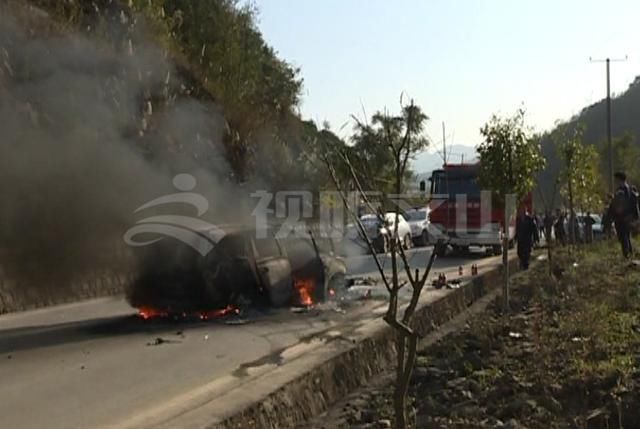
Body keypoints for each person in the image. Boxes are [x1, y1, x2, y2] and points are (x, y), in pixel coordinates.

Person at [605, 172, 637, 258]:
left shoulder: (620, 190)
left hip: (621, 218)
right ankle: (629, 253)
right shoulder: (630, 190)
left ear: (619, 179)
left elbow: (616, 205)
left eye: (616, 180)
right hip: (628, 218)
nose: (615, 182)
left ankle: (626, 254)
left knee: (623, 237)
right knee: (626, 236)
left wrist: (609, 218)